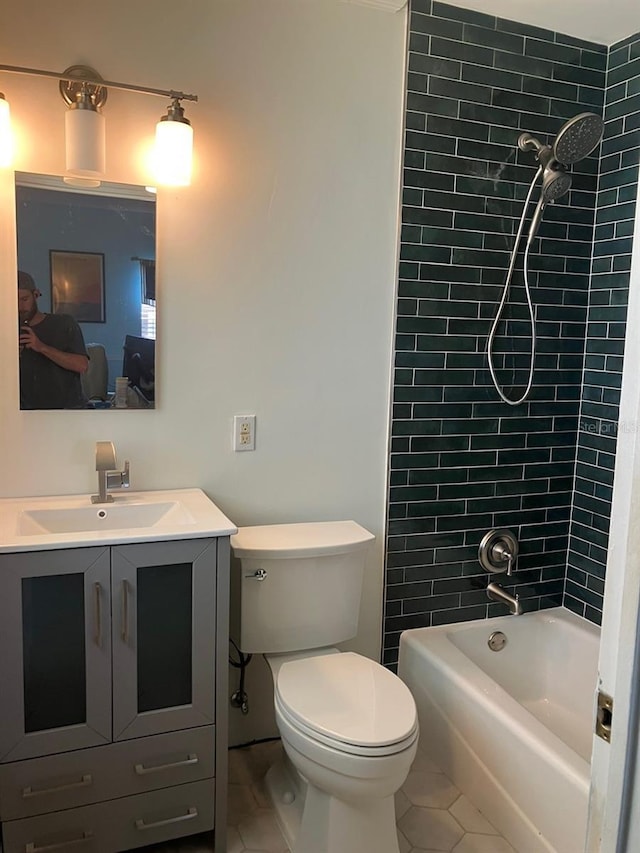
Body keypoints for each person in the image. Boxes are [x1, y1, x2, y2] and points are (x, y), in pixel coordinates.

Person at [18, 270, 89, 409]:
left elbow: (81, 365)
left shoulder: (64, 324)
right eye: (13, 301)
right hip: (27, 417)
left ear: (36, 295)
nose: (20, 307)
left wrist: (41, 347)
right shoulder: (7, 331)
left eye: (24, 299)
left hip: (68, 413)